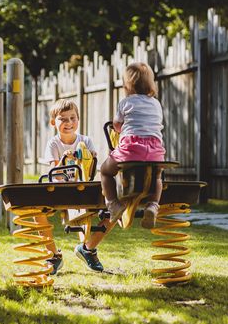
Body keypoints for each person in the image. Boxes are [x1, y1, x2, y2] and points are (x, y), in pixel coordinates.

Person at [38, 99, 116, 274]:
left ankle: (88, 248)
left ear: (78, 120)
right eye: (63, 119)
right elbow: (54, 172)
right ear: (53, 122)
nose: (69, 123)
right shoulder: (53, 144)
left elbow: (91, 167)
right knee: (36, 213)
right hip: (60, 191)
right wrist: (65, 159)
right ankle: (53, 255)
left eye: (73, 118)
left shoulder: (85, 141)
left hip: (82, 190)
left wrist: (91, 156)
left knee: (115, 209)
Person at [100, 62, 166, 229]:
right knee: (157, 177)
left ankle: (113, 204)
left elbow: (116, 125)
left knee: (105, 171)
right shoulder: (156, 104)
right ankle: (153, 205)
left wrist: (120, 128)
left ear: (127, 85)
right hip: (154, 150)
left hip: (131, 149)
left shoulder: (125, 102)